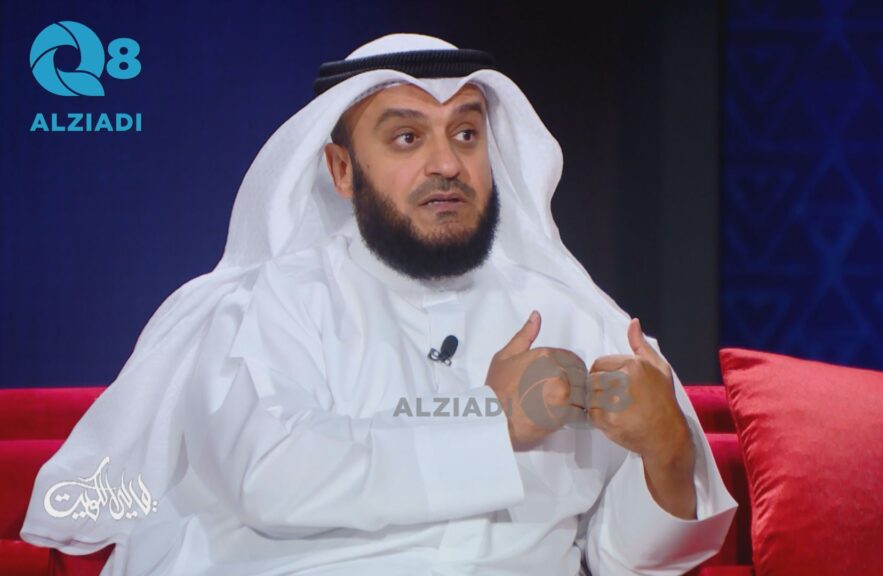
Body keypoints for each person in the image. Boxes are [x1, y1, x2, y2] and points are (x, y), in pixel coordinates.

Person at [21, 33, 738, 575]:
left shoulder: (576, 316)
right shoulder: (273, 303)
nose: (447, 164)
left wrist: (666, 456)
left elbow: (625, 562)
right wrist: (491, 427)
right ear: (341, 170)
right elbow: (272, 477)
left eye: (466, 134)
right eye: (406, 138)